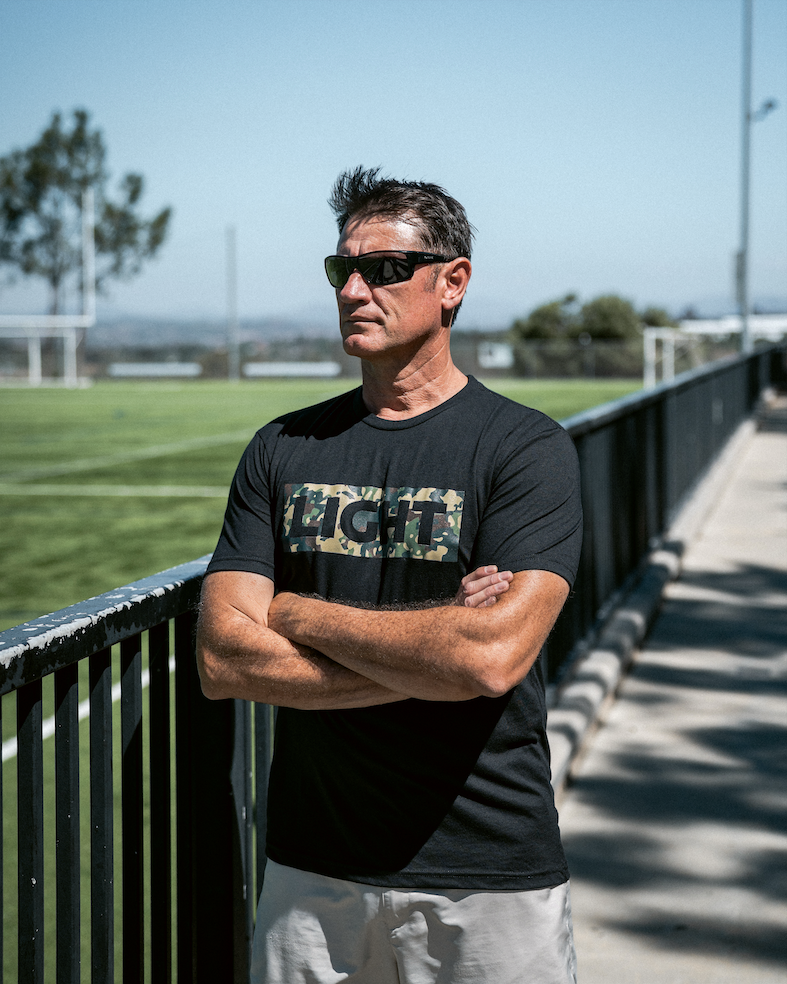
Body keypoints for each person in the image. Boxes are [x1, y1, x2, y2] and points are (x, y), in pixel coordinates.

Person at [196, 166, 583, 984]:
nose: (355, 288)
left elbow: (488, 660)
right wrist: (433, 650)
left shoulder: (524, 450)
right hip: (311, 869)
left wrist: (294, 611)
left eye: (385, 269)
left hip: (485, 872)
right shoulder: (282, 448)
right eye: (344, 269)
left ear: (453, 283)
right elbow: (225, 657)